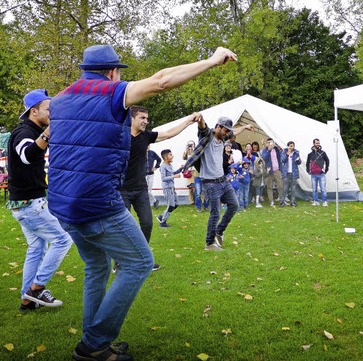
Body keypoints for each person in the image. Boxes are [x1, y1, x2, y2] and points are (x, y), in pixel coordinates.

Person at [48, 44, 238, 360]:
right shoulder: (110, 91)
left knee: (97, 266)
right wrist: (212, 60)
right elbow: (162, 80)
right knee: (140, 263)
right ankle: (95, 343)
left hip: (63, 205)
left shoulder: (60, 99)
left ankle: (93, 343)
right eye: (118, 72)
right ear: (112, 72)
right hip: (98, 204)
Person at [7, 89, 73, 311]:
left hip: (27, 204)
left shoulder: (33, 130)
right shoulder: (23, 132)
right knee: (63, 239)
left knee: (36, 249)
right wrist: (49, 132)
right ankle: (36, 289)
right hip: (29, 205)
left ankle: (27, 301)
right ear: (33, 111)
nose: (52, 113)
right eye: (48, 109)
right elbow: (27, 155)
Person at [120, 106, 198, 271]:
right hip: (122, 190)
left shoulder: (146, 136)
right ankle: (120, 261)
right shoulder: (120, 135)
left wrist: (188, 121)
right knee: (123, 228)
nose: (146, 122)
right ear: (132, 119)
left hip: (140, 189)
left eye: (147, 119)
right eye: (142, 118)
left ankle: (143, 259)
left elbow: (169, 133)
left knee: (147, 223)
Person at [181, 116, 252, 251]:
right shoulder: (207, 136)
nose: (227, 134)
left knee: (234, 205)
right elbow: (202, 127)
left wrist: (245, 127)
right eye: (225, 130)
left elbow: (234, 132)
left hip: (223, 180)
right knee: (215, 213)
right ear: (218, 126)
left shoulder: (223, 137)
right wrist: (200, 119)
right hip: (210, 183)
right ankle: (209, 243)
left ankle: (219, 231)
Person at [156, 149, 182, 228]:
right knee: (171, 205)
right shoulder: (163, 167)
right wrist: (174, 176)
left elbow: (172, 173)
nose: (172, 156)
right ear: (166, 157)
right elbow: (163, 178)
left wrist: (179, 170)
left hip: (172, 187)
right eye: (170, 155)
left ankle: (161, 216)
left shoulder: (170, 165)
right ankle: (163, 222)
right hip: (167, 188)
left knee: (176, 204)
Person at [183, 140, 208, 212]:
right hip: (196, 174)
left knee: (205, 192)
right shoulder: (192, 154)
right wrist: (187, 150)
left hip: (204, 175)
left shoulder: (203, 155)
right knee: (197, 192)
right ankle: (198, 207)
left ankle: (205, 206)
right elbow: (186, 158)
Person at [306, 138, 330, 206]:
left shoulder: (323, 153)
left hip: (321, 173)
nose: (318, 144)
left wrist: (326, 169)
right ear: (313, 144)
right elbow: (308, 163)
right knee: (314, 189)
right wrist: (308, 170)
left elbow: (327, 161)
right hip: (313, 174)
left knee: (323, 189)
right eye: (316, 143)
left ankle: (324, 201)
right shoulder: (310, 154)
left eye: (318, 143)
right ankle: (315, 201)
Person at [261, 138, 284, 207]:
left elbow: (280, 158)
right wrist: (269, 150)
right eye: (269, 142)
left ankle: (282, 200)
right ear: (267, 143)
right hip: (269, 171)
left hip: (277, 170)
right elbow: (264, 158)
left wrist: (280, 169)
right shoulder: (265, 151)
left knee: (280, 186)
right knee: (269, 187)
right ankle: (271, 201)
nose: (270, 144)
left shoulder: (277, 150)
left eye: (272, 142)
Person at [281, 141, 302, 207]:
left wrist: (298, 160)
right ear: (287, 146)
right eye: (290, 146)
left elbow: (299, 162)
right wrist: (287, 154)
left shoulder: (296, 153)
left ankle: (293, 202)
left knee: (293, 188)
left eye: (292, 146)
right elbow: (282, 160)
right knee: (285, 188)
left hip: (294, 172)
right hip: (286, 172)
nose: (291, 147)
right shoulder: (284, 152)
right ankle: (282, 201)